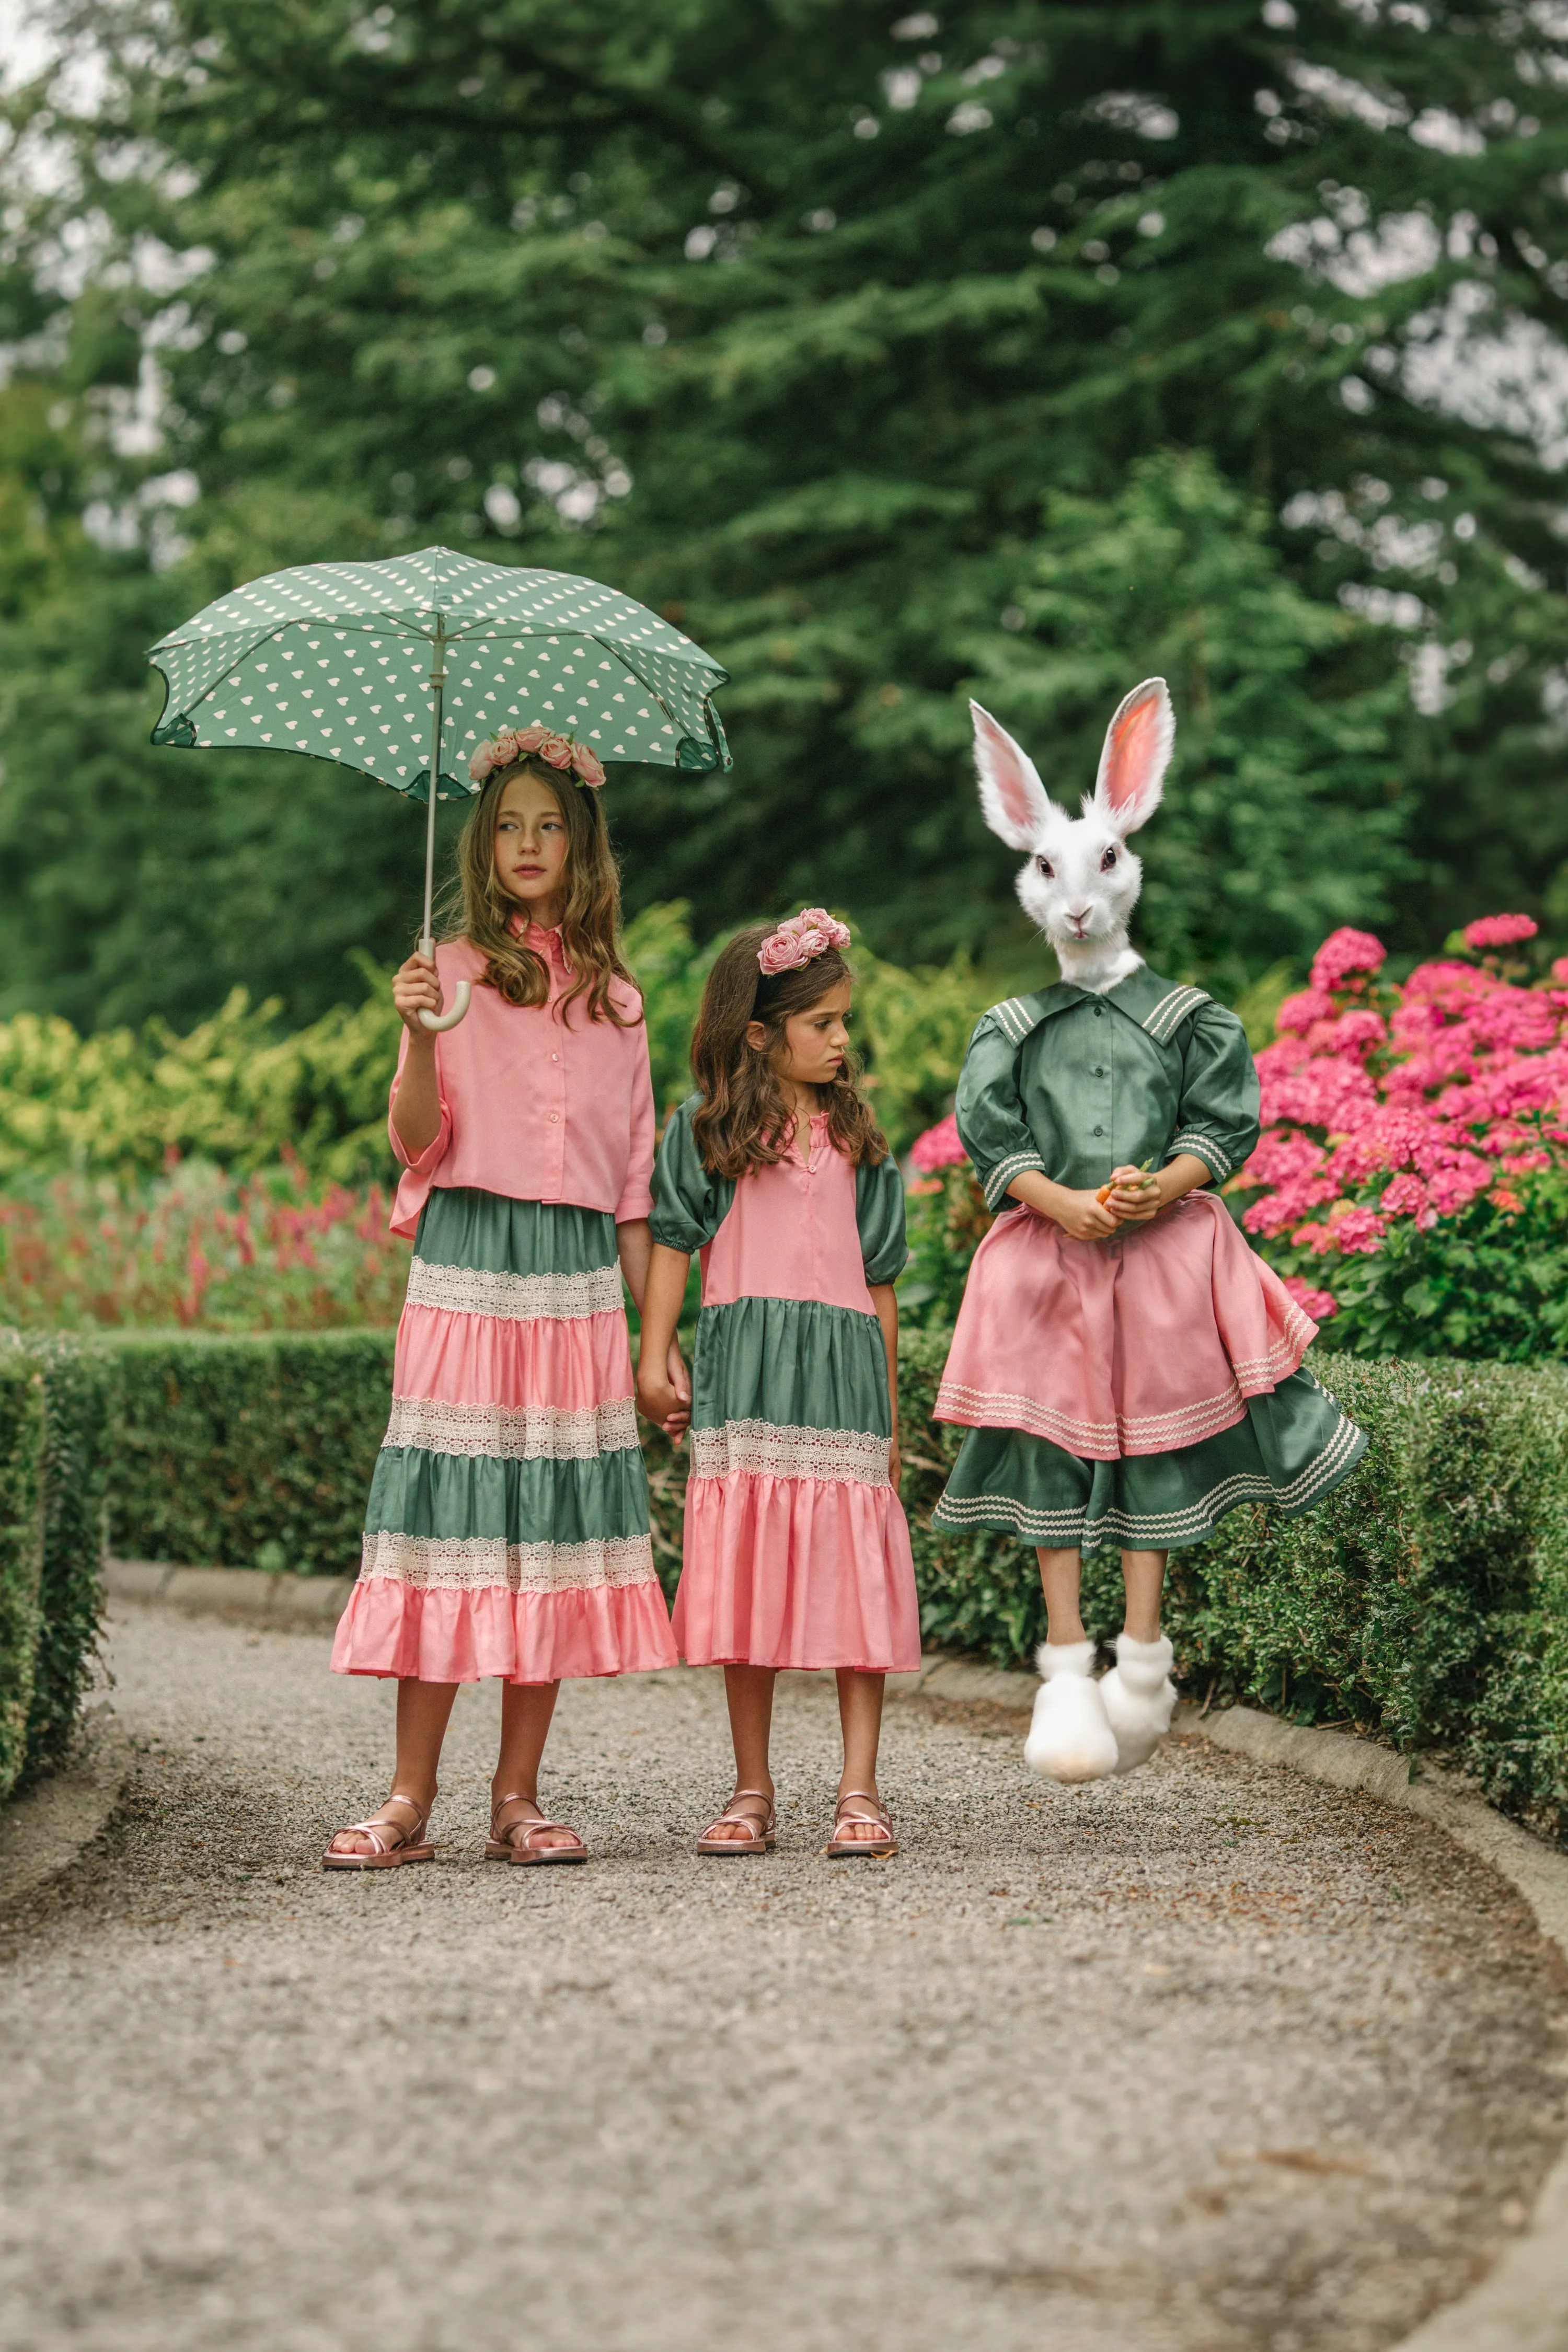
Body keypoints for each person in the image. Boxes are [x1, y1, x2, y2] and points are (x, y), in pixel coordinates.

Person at [933, 684, 1368, 1784]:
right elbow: (992, 1140)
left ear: (1131, 858)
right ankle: (1065, 1661)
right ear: (1024, 869)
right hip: (1049, 1261)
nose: (1078, 899)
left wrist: (1158, 1187)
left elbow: (1221, 1129)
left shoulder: (1189, 1018)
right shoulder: (1009, 1030)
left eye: (1102, 865)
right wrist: (1059, 1200)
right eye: (1049, 871)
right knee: (1050, 1442)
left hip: (1162, 1258)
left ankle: (1142, 1653)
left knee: (1152, 1444)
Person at [324, 725, 681, 1868]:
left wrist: (656, 1345)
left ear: (583, 849)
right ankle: (408, 1797)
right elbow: (418, 1142)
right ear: (483, 844)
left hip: (576, 1281)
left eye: (552, 826)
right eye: (511, 826)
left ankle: (518, 1798)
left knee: (547, 1531)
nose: (531, 843)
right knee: (448, 1522)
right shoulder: (452, 971)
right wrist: (414, 1034)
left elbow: (633, 1190)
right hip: (469, 1265)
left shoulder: (620, 1005)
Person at [635, 911, 918, 1859]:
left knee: (855, 1568)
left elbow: (880, 1286)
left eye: (845, 1023)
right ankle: (751, 1786)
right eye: (824, 1024)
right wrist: (654, 1355)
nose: (843, 1040)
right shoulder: (710, 1129)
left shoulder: (861, 1139)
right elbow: (673, 1243)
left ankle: (859, 1785)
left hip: (841, 1377)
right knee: (746, 1567)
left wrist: (885, 1410)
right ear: (761, 1033)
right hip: (744, 1373)